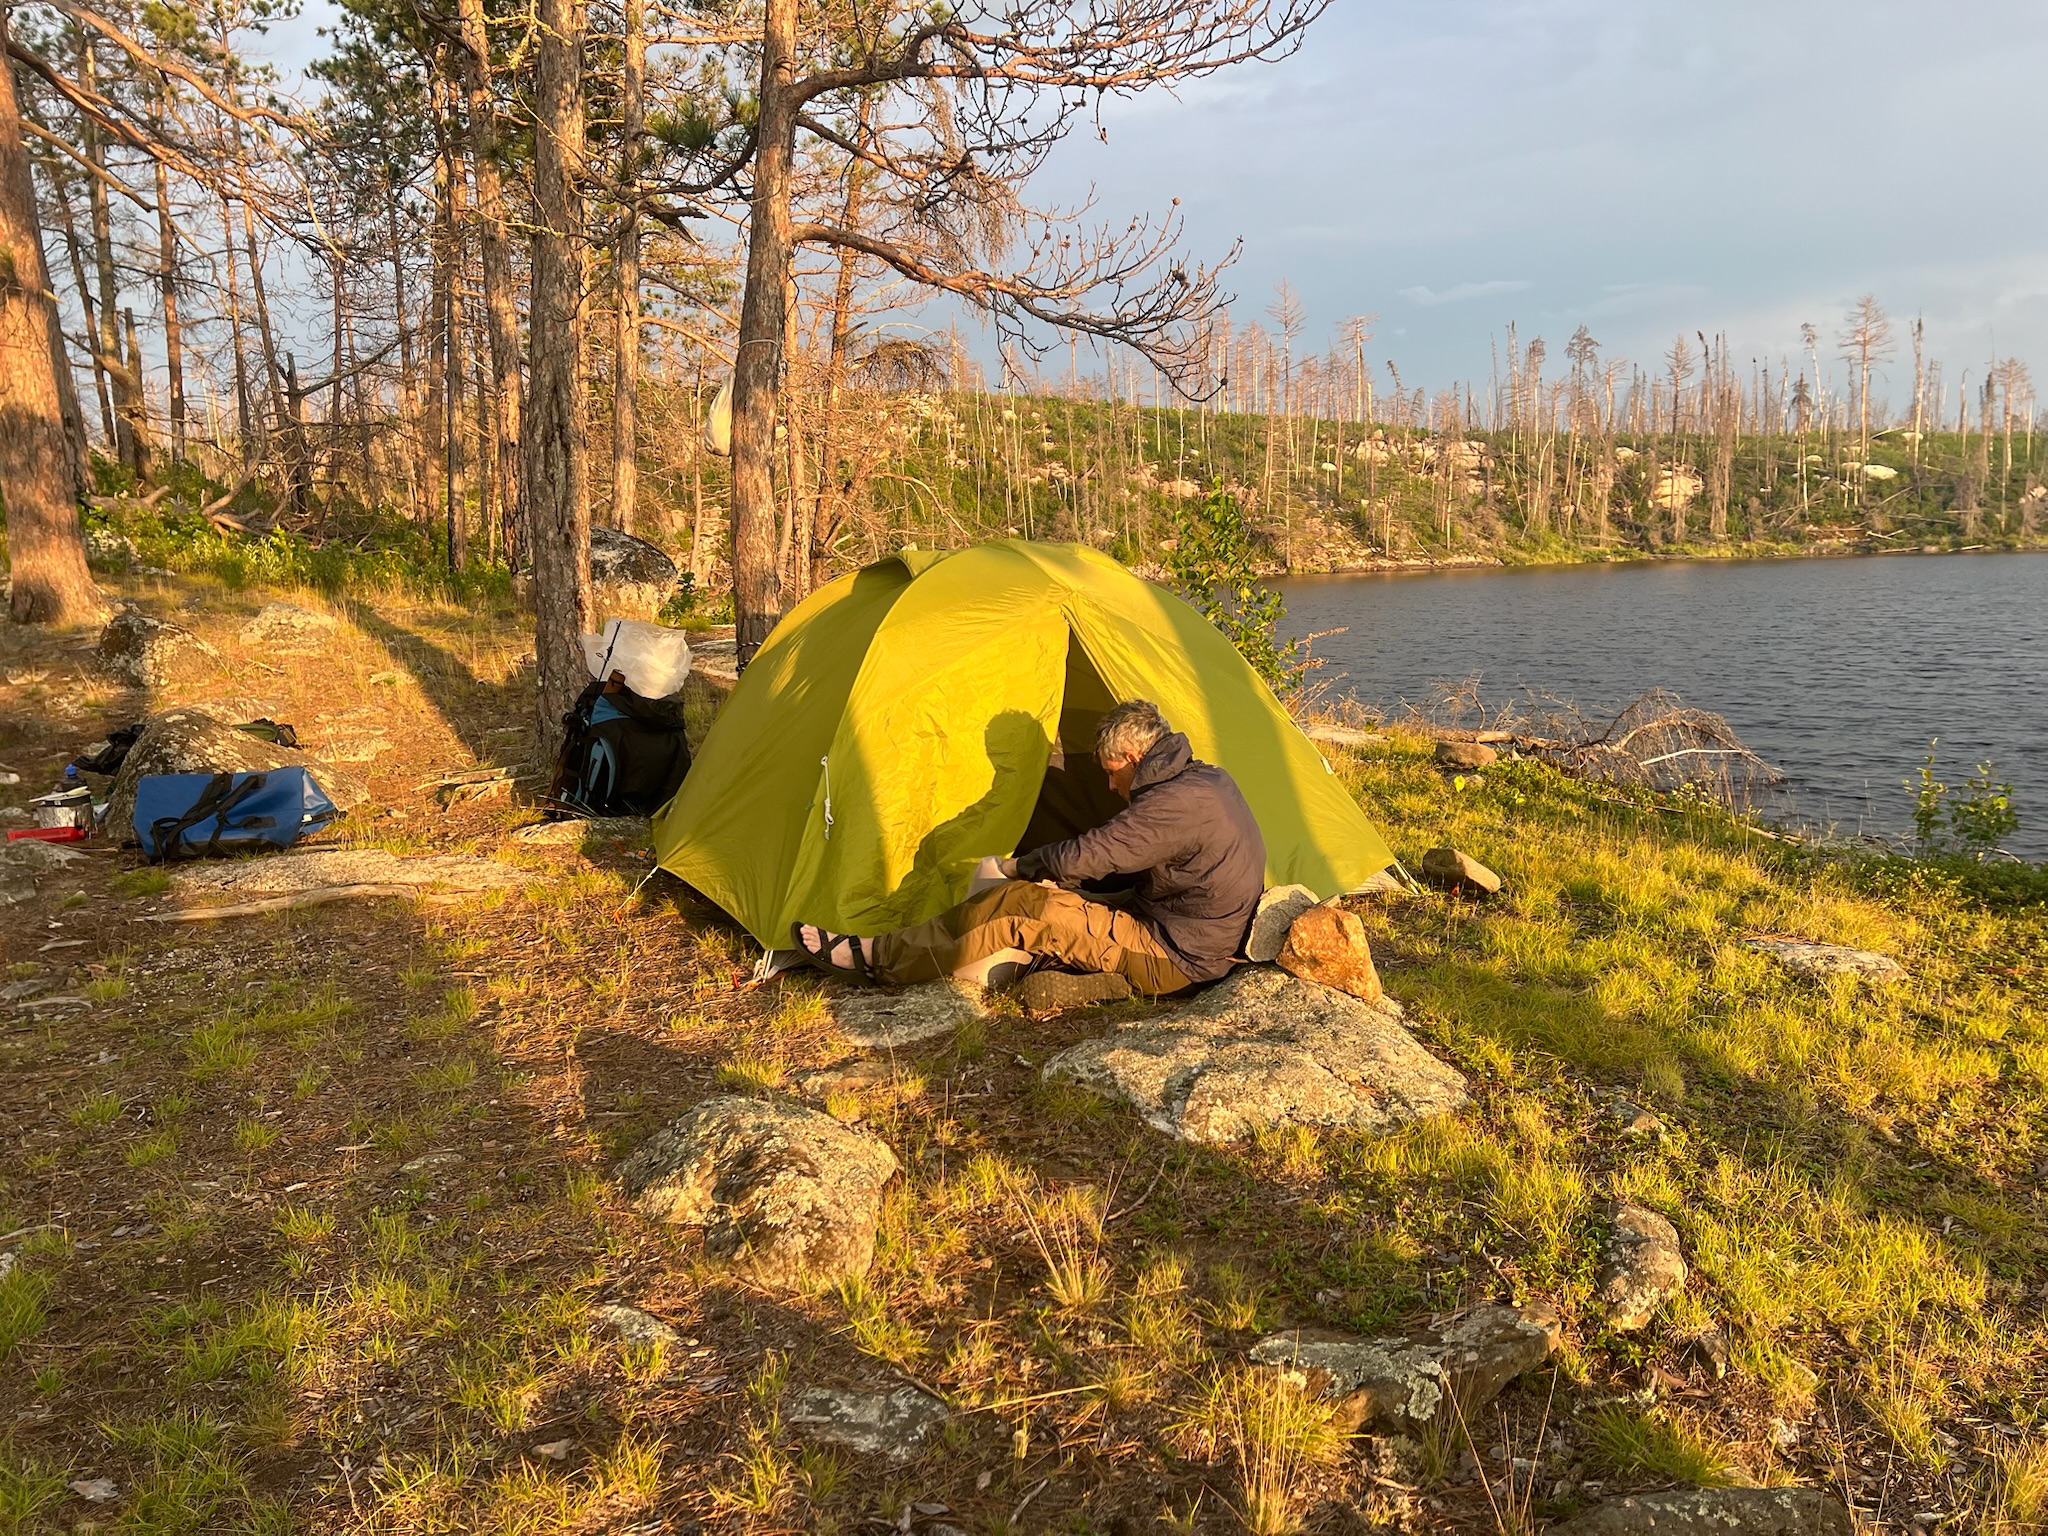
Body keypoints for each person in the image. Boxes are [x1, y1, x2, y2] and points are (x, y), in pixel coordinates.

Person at [792, 699, 1266, 1001]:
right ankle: (1076, 976)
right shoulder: (1204, 778)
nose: (1108, 783)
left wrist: (1018, 866)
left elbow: (1093, 854)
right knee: (1055, 904)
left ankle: (878, 958)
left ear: (1134, 758)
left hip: (1175, 957)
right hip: (1185, 930)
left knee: (1017, 908)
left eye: (1110, 771)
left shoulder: (1174, 805)